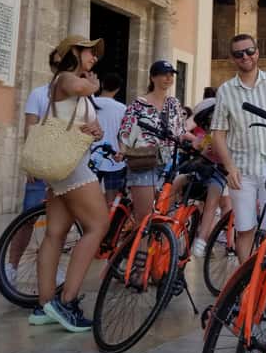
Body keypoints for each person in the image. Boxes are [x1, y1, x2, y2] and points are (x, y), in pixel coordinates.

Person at [36, 35, 107, 332]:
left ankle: (45, 306)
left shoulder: (76, 88)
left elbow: (88, 124)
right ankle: (66, 302)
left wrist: (95, 130)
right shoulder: (65, 78)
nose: (93, 58)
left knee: (55, 233)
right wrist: (94, 84)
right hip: (72, 164)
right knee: (98, 225)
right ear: (75, 52)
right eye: (89, 51)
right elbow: (82, 87)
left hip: (63, 164)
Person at [210, 34, 266, 263]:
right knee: (245, 229)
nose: (245, 57)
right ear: (233, 58)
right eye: (239, 54)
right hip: (241, 171)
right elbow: (217, 133)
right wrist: (229, 168)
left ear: (257, 52)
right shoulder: (226, 91)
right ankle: (246, 285)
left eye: (249, 51)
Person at [6, 49, 65, 287]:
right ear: (52, 67)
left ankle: (52, 267)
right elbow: (30, 128)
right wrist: (30, 161)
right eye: (59, 65)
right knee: (28, 218)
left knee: (59, 223)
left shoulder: (74, 98)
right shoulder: (39, 94)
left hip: (65, 167)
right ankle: (11, 265)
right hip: (41, 164)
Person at [118, 60, 189, 224]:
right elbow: (125, 131)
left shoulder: (174, 104)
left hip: (169, 164)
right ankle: (139, 250)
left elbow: (180, 131)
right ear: (152, 77)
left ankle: (154, 249)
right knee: (144, 219)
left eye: (171, 74)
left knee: (162, 217)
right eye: (164, 74)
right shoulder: (139, 104)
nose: (168, 77)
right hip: (144, 161)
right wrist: (122, 150)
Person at [187, 96, 230, 257]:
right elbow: (198, 148)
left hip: (219, 174)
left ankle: (202, 239)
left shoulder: (226, 135)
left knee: (211, 204)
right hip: (204, 170)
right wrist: (203, 149)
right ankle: (162, 211)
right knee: (179, 180)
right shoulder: (206, 136)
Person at [92, 73, 127, 205]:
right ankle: (109, 224)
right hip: (114, 159)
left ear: (101, 85)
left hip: (92, 157)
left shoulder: (91, 103)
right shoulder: (122, 109)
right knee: (111, 202)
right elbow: (123, 134)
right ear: (118, 89)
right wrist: (122, 152)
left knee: (89, 199)